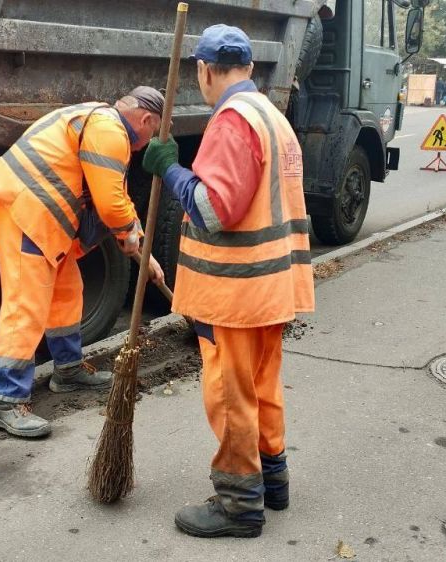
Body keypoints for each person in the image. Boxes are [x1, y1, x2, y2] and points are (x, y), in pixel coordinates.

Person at [142, 24, 314, 538]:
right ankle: (273, 480)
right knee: (262, 386)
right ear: (249, 68)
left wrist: (169, 170)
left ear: (203, 70)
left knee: (228, 392)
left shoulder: (231, 121)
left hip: (235, 293)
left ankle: (239, 503)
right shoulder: (272, 117)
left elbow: (213, 209)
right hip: (273, 286)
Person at [0, 87, 166, 438]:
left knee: (66, 291)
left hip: (44, 218)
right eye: (152, 131)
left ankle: (67, 370)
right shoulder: (110, 132)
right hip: (24, 211)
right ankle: (5, 403)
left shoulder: (103, 124)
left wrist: (143, 248)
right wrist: (127, 233)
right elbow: (111, 207)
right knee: (26, 304)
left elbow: (115, 196)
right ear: (145, 120)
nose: (147, 141)